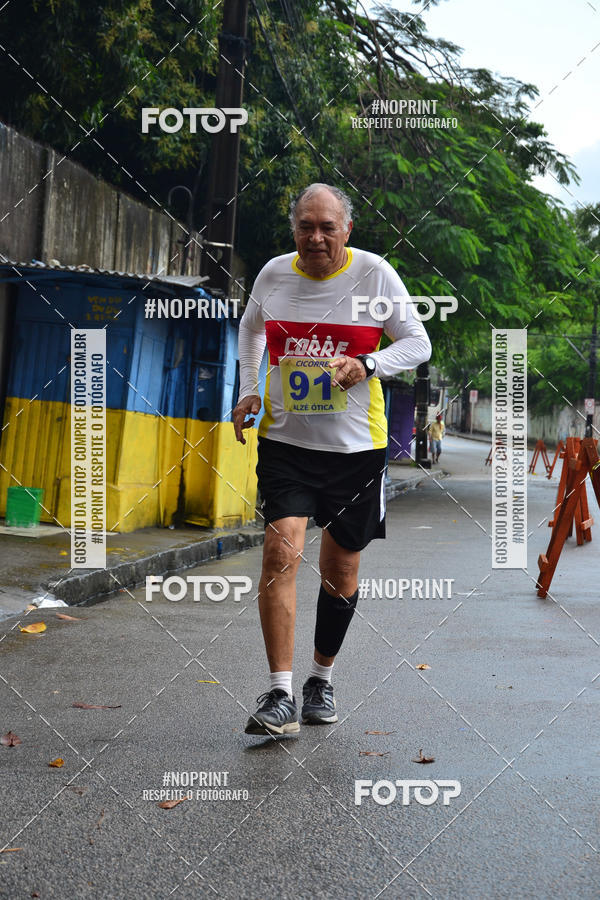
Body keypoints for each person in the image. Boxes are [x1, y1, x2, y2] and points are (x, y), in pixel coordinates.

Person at [232, 183, 431, 736]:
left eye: (327, 227)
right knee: (280, 553)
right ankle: (280, 695)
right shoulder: (274, 275)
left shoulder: (375, 275)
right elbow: (250, 331)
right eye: (306, 227)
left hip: (355, 451)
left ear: (347, 229)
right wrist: (248, 389)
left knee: (340, 570)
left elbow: (417, 342)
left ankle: (321, 679)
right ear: (294, 229)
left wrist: (367, 364)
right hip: (286, 444)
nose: (316, 238)